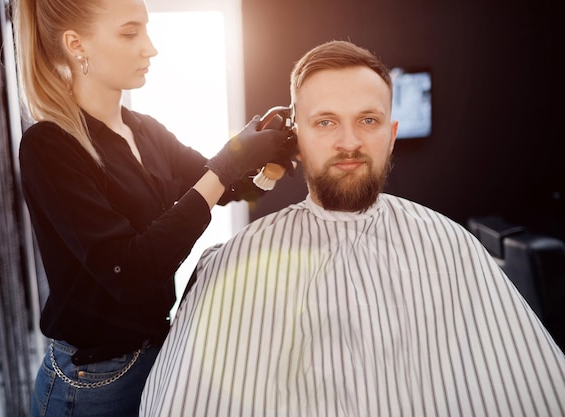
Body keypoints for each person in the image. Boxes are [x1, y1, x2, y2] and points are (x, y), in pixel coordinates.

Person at [138, 40, 565, 417]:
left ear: (391, 135)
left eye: (368, 120)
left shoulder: (453, 247)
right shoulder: (233, 264)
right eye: (325, 122)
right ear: (295, 141)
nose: (349, 141)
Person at [12, 0, 294, 416]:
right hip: (91, 384)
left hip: (157, 357)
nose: (150, 48)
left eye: (146, 29)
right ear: (76, 45)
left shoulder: (145, 130)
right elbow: (130, 272)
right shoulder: (49, 147)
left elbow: (226, 188)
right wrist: (230, 164)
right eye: (130, 33)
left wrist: (265, 150)